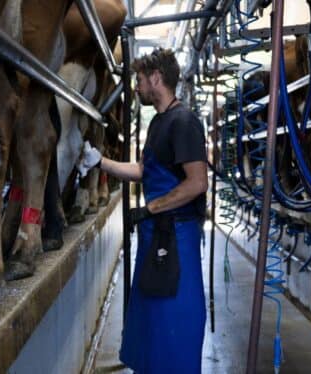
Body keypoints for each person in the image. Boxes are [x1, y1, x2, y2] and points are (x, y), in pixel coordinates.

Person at [77, 48, 208, 373]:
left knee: (174, 317)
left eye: (138, 79)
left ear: (156, 78)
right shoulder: (160, 123)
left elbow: (197, 183)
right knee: (150, 317)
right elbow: (144, 171)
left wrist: (151, 208)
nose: (135, 87)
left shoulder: (184, 122)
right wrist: (100, 162)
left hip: (176, 235)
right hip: (157, 233)